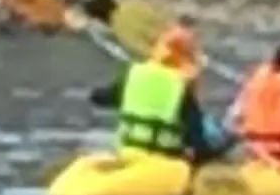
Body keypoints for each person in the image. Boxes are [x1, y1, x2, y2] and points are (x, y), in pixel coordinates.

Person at [91, 23, 230, 163]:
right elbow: (195, 136)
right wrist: (213, 151)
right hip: (163, 160)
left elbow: (102, 97)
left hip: (127, 153)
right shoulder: (179, 85)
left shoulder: (135, 74)